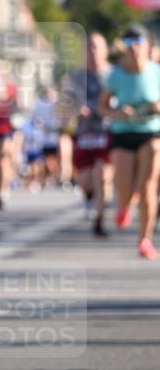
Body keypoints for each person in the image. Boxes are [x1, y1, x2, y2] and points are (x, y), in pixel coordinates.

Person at [98, 23, 160, 259]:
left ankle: (144, 239)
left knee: (148, 188)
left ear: (147, 46)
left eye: (138, 43)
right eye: (128, 43)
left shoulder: (156, 72)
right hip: (124, 133)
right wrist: (117, 113)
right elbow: (101, 107)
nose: (133, 48)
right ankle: (125, 204)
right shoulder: (116, 75)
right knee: (123, 191)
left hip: (151, 131)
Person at [67, 32, 112, 237]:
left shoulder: (114, 74)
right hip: (84, 133)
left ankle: (99, 220)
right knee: (86, 180)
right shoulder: (75, 77)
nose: (92, 52)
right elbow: (64, 104)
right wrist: (76, 109)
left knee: (103, 176)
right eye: (89, 47)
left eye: (96, 47)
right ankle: (89, 196)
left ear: (106, 51)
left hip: (108, 131)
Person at [0, 59, 17, 211]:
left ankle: (3, 191)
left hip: (4, 127)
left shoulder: (10, 86)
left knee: (3, 158)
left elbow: (8, 100)